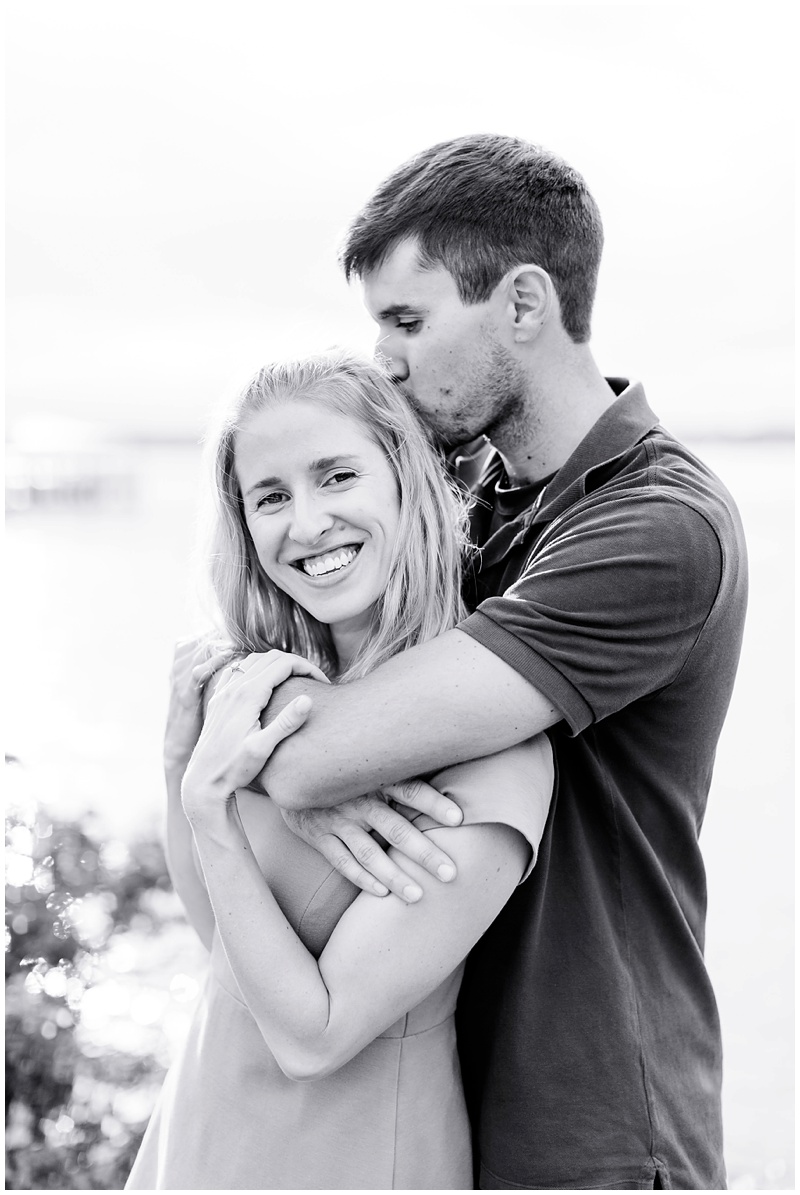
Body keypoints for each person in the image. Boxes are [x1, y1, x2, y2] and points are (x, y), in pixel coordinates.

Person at [248, 135, 749, 1190]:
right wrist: (222, 690)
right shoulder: (473, 498)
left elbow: (305, 757)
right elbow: (291, 645)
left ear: (522, 304)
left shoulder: (655, 528)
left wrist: (282, 770)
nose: (382, 358)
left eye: (407, 320)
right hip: (441, 1099)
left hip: (593, 1125)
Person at [125, 350, 554, 1191]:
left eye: (337, 476)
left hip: (350, 1155)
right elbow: (223, 947)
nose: (308, 522)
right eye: (272, 495)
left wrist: (215, 807)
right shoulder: (273, 685)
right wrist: (185, 760)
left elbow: (314, 1035)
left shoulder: (492, 749)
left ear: (406, 480)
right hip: (205, 1129)